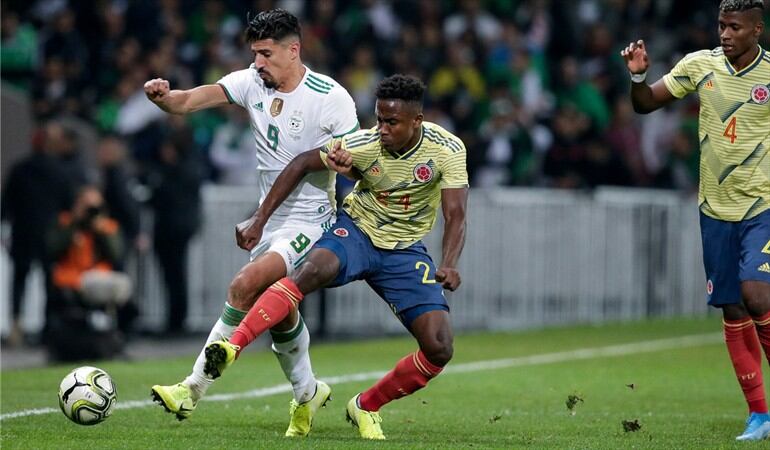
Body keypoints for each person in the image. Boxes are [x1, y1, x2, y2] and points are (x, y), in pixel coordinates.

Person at [203, 74, 468, 440]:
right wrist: (259, 219)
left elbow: (456, 214)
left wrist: (449, 261)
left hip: (404, 251)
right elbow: (300, 163)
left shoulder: (447, 149)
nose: (382, 129)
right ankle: (233, 346)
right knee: (309, 271)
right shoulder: (363, 143)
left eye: (392, 122)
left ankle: (366, 405)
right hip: (357, 231)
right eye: (379, 119)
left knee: (439, 347)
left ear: (417, 120)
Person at [144, 9, 359, 436]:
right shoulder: (250, 82)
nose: (258, 63)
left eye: (266, 54)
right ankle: (308, 391)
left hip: (311, 219)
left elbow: (359, 160)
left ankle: (191, 388)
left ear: (293, 50)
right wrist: (163, 97)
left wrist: (345, 161)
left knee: (245, 285)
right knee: (281, 313)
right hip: (271, 217)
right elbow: (187, 102)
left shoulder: (330, 97)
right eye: (255, 54)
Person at [621, 0, 770, 441]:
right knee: (733, 307)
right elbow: (646, 104)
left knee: (756, 294)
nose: (725, 34)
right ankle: (759, 415)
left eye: (735, 27)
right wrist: (638, 76)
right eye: (721, 25)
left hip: (762, 206)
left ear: (757, 30)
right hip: (714, 210)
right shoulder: (700, 65)